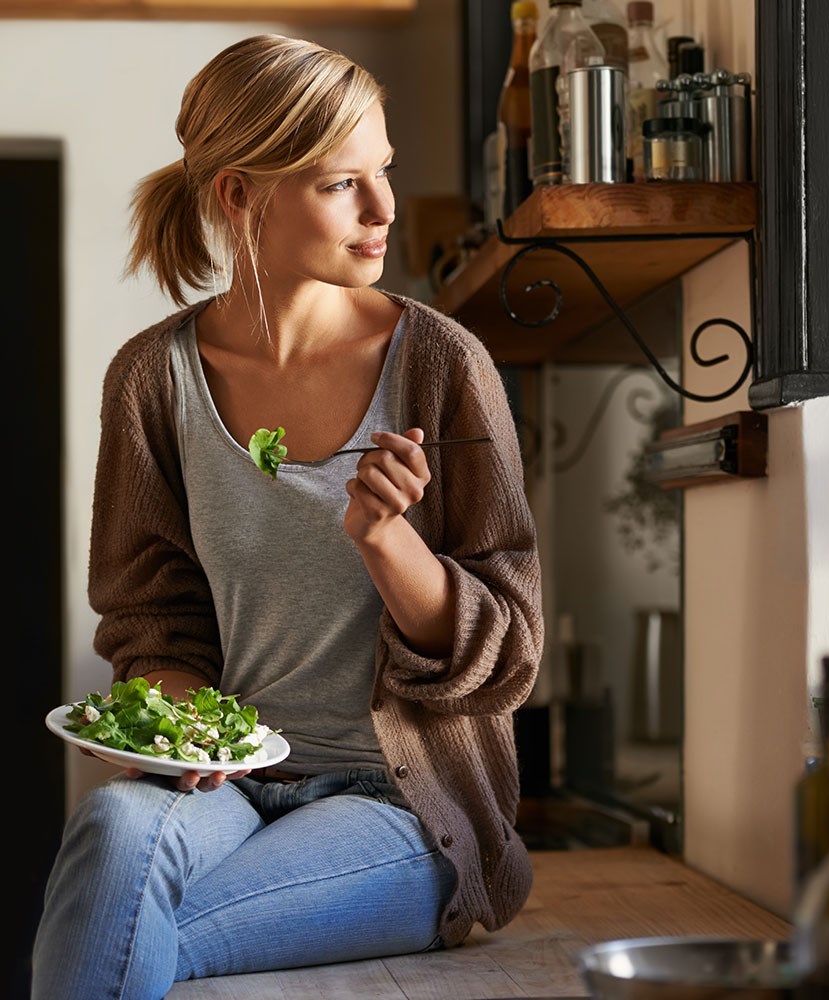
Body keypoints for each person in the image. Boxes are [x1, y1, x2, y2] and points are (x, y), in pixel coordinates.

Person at [31, 34, 543, 1000]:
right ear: (239, 194)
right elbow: (154, 624)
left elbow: (511, 653)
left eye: (382, 174)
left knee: (134, 927)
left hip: (399, 804)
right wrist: (183, 733)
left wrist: (388, 542)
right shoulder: (153, 379)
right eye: (342, 183)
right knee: (109, 828)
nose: (384, 209)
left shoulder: (441, 362)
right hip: (229, 786)